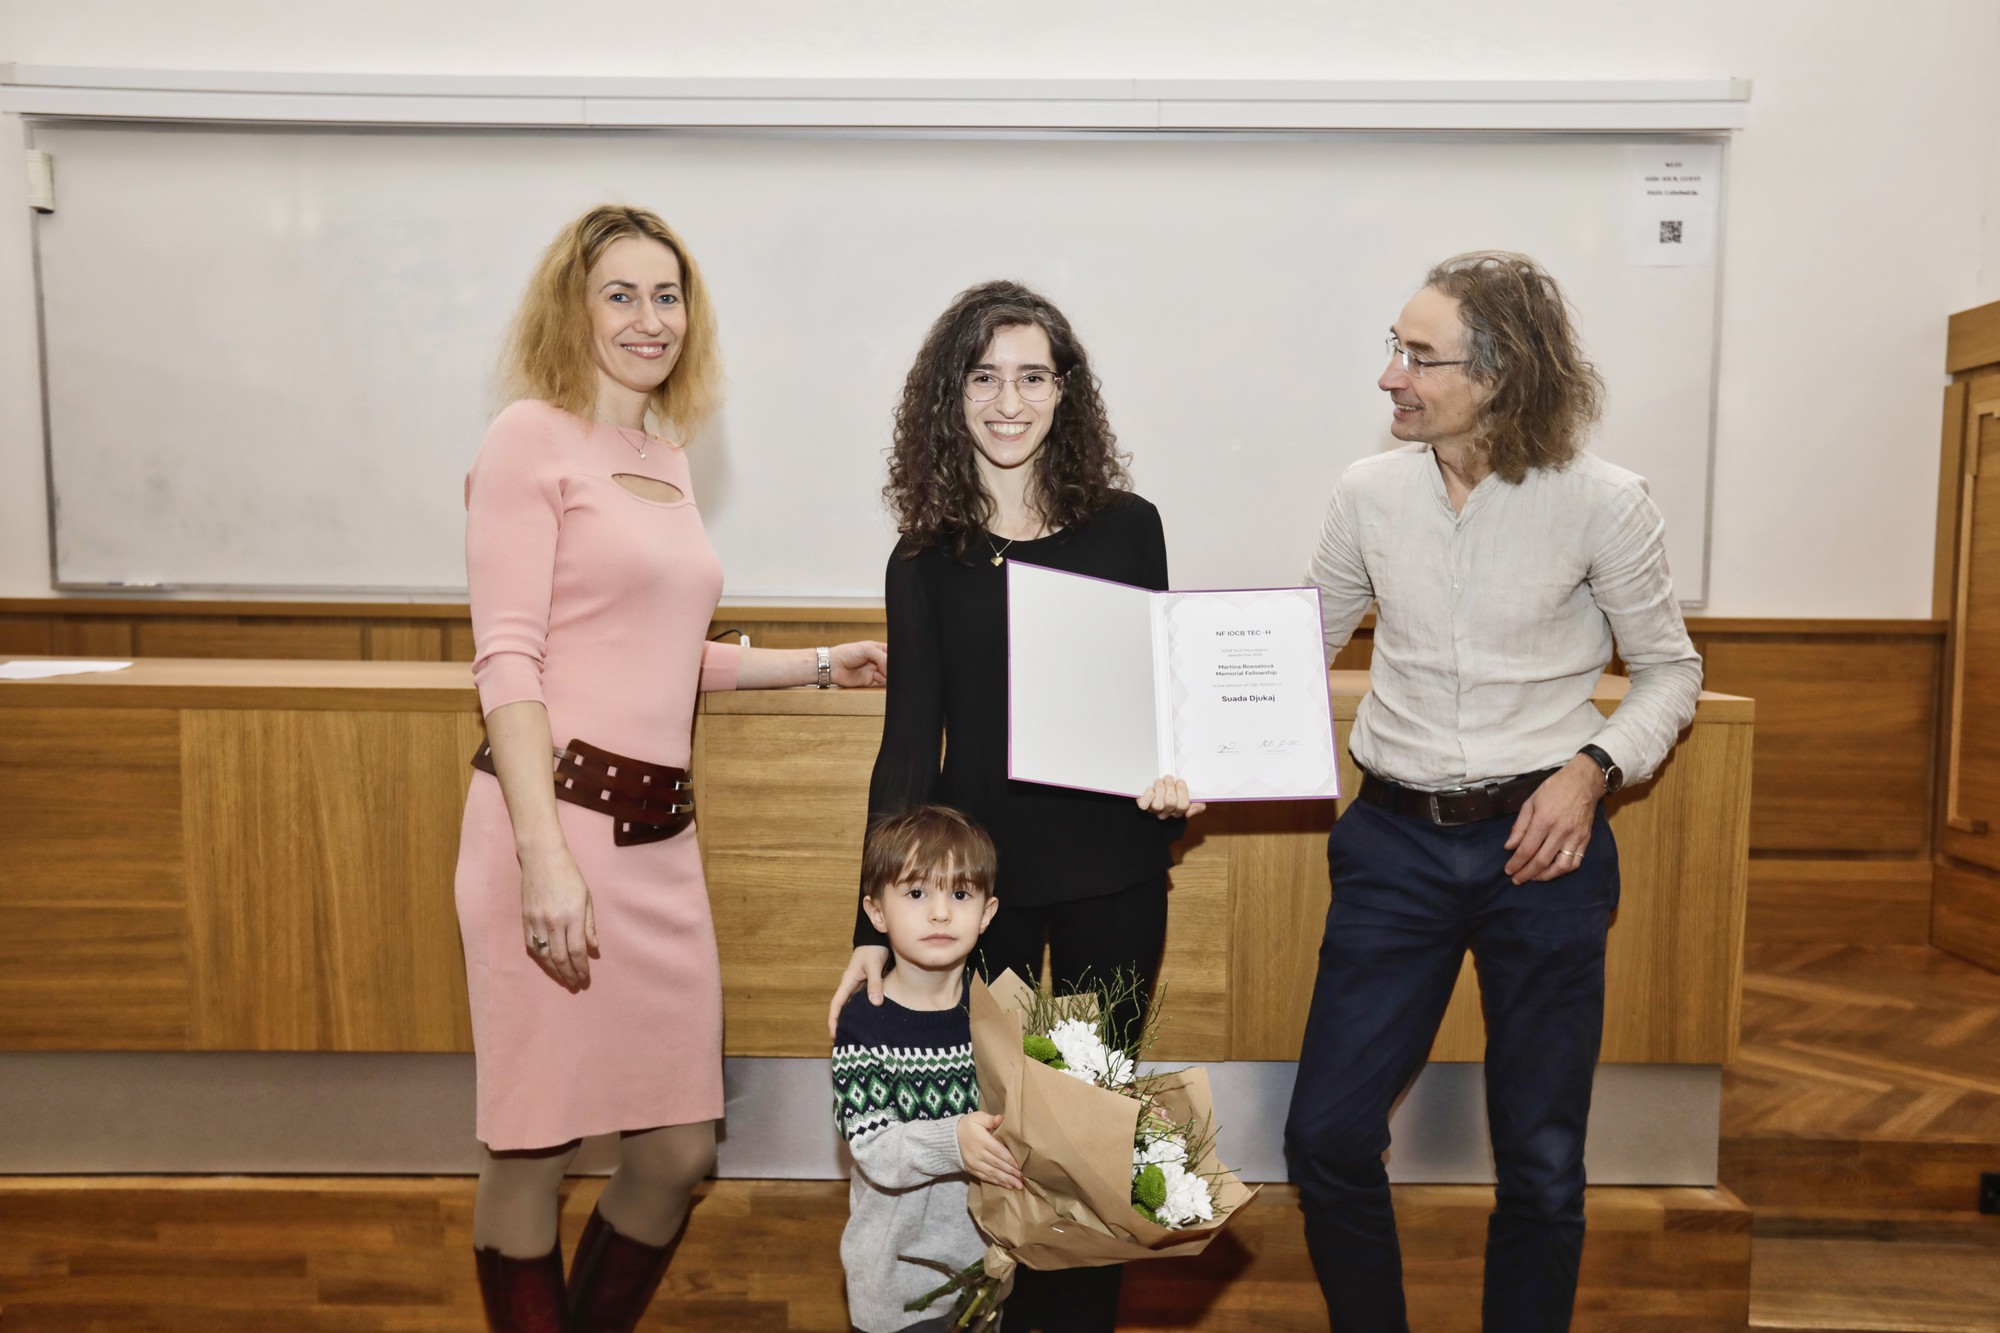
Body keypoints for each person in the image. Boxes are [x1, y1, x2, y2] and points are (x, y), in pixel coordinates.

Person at [456, 203, 887, 1333]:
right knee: (533, 1146)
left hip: (660, 848)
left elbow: (649, 646)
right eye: (620, 294)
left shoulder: (662, 453)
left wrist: (815, 666)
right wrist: (547, 861)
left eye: (667, 295)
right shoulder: (527, 438)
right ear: (572, 306)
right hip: (550, 832)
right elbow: (510, 655)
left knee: (679, 1148)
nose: (650, 319)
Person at [1284, 251, 1703, 1332]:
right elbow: (1295, 652)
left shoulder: (1604, 502)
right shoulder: (1366, 492)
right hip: (1390, 844)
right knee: (1324, 1137)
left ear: (1502, 371)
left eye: (1417, 356)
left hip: (1545, 852)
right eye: (1393, 347)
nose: (1390, 375)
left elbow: (1669, 670)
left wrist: (1593, 770)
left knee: (1542, 1158)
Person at [827, 279, 1198, 1333]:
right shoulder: (924, 557)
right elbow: (908, 747)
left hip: (1114, 879)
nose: (1007, 400)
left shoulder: (1129, 529)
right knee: (985, 1134)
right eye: (982, 377)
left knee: (1087, 1133)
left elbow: (1152, 708)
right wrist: (868, 926)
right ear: (949, 399)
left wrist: (1172, 783)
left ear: (1063, 391)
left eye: (1031, 375)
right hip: (977, 904)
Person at [835, 805, 1023, 1333]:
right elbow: (874, 1148)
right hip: (896, 1286)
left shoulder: (998, 1013)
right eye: (916, 894)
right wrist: (954, 1139)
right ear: (876, 913)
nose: (940, 913)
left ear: (986, 914)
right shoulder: (865, 1025)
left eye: (960, 895)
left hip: (985, 1271)